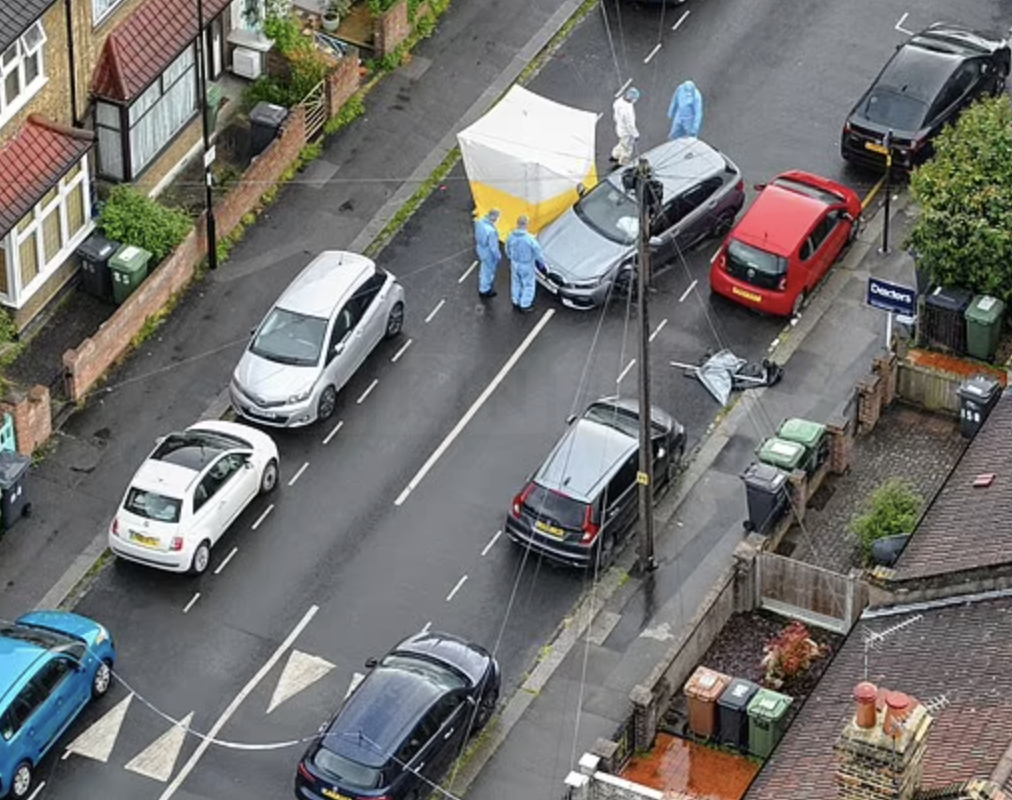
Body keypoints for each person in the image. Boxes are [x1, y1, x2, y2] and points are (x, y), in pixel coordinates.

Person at [505, 215, 543, 312]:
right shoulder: (530, 239)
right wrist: (541, 263)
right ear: (526, 224)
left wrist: (510, 257)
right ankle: (525, 304)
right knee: (528, 285)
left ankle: (515, 300)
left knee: (516, 282)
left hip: (515, 263)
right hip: (526, 265)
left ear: (517, 224)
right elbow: (538, 252)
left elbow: (507, 249)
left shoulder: (511, 236)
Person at [474, 208, 501, 298]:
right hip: (488, 253)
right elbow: (493, 248)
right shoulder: (491, 231)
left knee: (484, 268)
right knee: (488, 271)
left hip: (480, 249)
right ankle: (485, 289)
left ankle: (483, 284)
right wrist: (498, 256)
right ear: (494, 218)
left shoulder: (479, 223)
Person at [610, 87, 640, 167]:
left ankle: (615, 155)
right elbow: (630, 125)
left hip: (619, 128)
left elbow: (616, 116)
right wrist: (636, 135)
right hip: (627, 133)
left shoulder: (618, 102)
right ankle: (622, 163)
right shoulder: (628, 110)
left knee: (622, 144)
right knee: (627, 148)